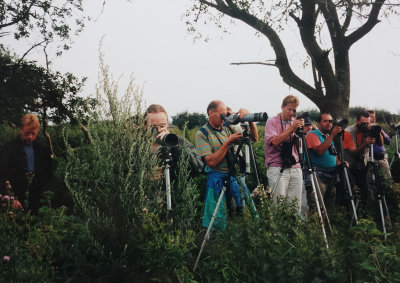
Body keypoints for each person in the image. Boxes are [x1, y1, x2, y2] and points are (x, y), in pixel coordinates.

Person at [195, 100, 258, 231]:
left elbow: (253, 138)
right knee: (216, 218)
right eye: (222, 115)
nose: (225, 118)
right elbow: (211, 162)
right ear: (211, 113)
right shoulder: (202, 133)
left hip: (234, 176)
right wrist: (228, 142)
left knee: (242, 212)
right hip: (217, 178)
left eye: (226, 115)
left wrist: (250, 120)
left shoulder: (228, 128)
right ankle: (214, 244)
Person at [0, 114, 52, 213]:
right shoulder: (8, 149)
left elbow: (49, 175)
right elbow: (2, 175)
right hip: (16, 199)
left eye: (33, 134)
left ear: (37, 131)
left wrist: (46, 197)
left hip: (38, 200)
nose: (30, 137)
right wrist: (11, 198)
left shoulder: (43, 150)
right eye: (27, 133)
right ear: (21, 129)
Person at [265, 95, 304, 213]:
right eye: (289, 109)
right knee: (278, 205)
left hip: (295, 166)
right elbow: (274, 142)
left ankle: (293, 230)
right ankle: (276, 231)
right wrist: (291, 128)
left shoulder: (294, 123)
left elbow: (298, 147)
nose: (292, 113)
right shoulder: (272, 122)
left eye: (294, 110)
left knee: (295, 205)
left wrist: (300, 133)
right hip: (277, 166)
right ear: (282, 107)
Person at [144, 104, 203, 179]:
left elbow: (197, 168)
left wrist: (175, 145)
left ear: (167, 124)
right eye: (153, 127)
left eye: (162, 126)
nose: (158, 130)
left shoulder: (179, 141)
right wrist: (144, 176)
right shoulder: (136, 146)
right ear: (145, 125)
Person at [305, 113, 342, 213]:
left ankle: (328, 226)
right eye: (325, 121)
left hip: (331, 175)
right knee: (316, 204)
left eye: (330, 121)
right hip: (317, 174)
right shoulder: (312, 134)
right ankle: (315, 227)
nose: (328, 123)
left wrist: (339, 163)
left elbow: (333, 154)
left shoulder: (327, 136)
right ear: (319, 123)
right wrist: (333, 135)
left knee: (330, 205)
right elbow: (319, 151)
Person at [343, 110, 376, 208]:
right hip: (350, 166)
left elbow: (381, 143)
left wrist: (377, 133)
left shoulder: (368, 130)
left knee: (365, 191)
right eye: (363, 123)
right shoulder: (348, 132)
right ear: (357, 121)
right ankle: (349, 215)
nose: (365, 126)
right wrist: (365, 143)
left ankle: (363, 212)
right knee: (351, 192)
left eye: (367, 123)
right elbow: (353, 152)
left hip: (362, 165)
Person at [367, 110, 391, 177]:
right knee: (370, 180)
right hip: (370, 158)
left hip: (381, 158)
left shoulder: (378, 128)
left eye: (374, 117)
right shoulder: (364, 129)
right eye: (371, 117)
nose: (374, 119)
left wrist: (381, 131)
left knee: (387, 178)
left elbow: (388, 142)